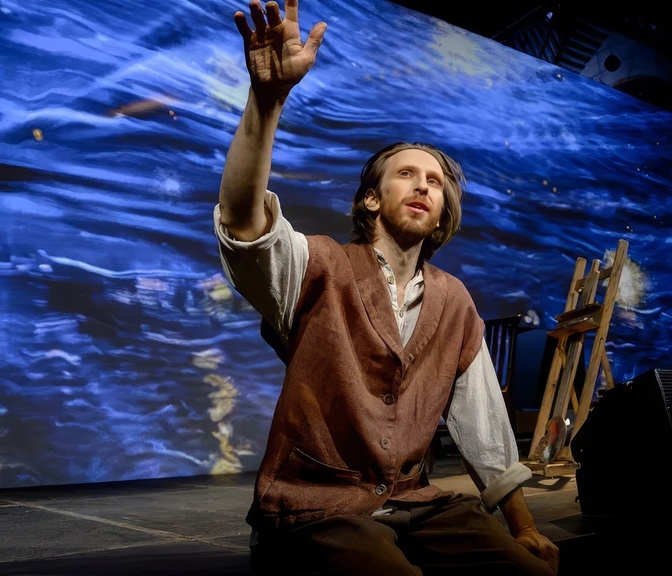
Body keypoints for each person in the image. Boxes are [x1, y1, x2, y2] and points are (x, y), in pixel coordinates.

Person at [213, 1, 560, 574]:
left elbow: (482, 421)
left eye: (435, 182)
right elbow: (245, 224)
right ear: (372, 199)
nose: (424, 186)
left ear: (443, 213)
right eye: (406, 174)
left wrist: (523, 526)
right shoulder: (319, 264)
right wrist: (266, 101)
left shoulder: (454, 300)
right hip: (315, 507)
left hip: (414, 501)